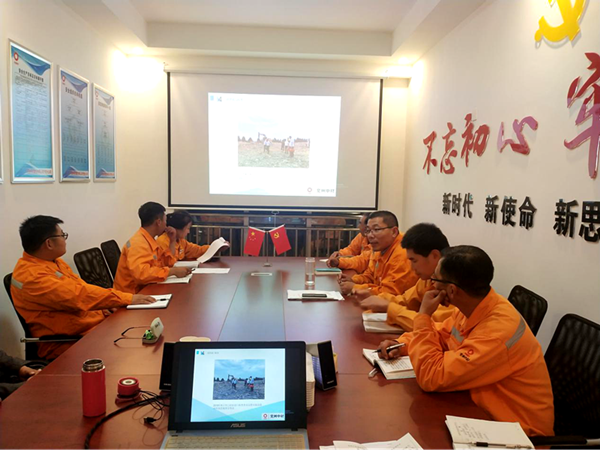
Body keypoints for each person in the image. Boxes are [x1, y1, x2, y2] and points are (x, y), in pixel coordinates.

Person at [378, 246, 554, 436]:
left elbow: (431, 377)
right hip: (476, 409)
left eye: (436, 279)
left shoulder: (497, 331)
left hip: (517, 433)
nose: (432, 284)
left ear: (451, 290)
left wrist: (424, 316)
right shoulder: (475, 306)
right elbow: (441, 334)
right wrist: (402, 344)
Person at [11, 216, 156, 360]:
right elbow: (79, 295)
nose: (65, 239)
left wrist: (103, 307)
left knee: (145, 332)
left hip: (91, 327)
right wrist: (126, 298)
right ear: (49, 243)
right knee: (139, 353)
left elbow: (80, 288)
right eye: (62, 235)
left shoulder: (53, 262)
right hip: (69, 342)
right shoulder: (32, 277)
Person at [359, 223, 455, 331]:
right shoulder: (429, 278)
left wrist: (389, 308)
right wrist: (378, 299)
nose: (412, 267)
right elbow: (406, 300)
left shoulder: (453, 284)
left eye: (414, 261)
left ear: (434, 255)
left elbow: (431, 326)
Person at [114, 202, 192, 294]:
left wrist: (172, 241)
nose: (166, 225)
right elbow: (142, 274)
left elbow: (167, 263)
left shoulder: (149, 240)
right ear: (158, 222)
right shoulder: (138, 243)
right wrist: (172, 272)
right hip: (132, 294)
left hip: (146, 289)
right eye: (165, 221)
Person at [338, 211, 418, 297]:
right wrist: (354, 280)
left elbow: (390, 292)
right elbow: (370, 275)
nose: (370, 236)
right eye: (368, 230)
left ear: (394, 232)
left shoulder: (403, 253)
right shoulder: (380, 247)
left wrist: (355, 287)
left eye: (376, 230)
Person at [157, 211, 228, 263]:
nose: (188, 232)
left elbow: (197, 250)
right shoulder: (163, 241)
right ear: (177, 228)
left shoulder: (181, 241)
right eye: (187, 228)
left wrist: (217, 248)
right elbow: (167, 263)